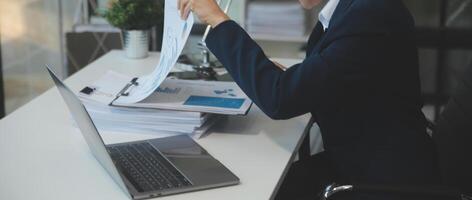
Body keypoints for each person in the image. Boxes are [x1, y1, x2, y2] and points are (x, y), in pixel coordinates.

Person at [178, 0, 439, 199]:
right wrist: (289, 79)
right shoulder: (350, 10)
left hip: (378, 181)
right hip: (361, 159)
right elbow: (327, 75)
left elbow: (280, 98)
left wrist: (217, 19)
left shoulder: (371, 15)